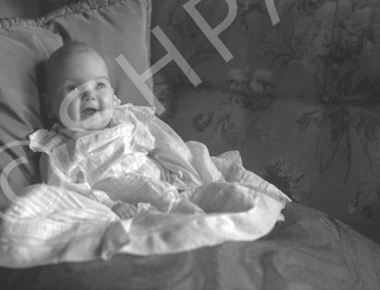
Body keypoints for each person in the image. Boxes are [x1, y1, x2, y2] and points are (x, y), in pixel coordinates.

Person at [29, 42, 288, 219]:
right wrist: (110, 207)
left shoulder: (126, 119)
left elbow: (166, 142)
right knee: (171, 211)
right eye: (72, 89)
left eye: (99, 85)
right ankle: (206, 224)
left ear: (112, 92)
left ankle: (263, 207)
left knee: (215, 177)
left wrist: (186, 170)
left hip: (171, 182)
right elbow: (65, 193)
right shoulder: (58, 150)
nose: (89, 96)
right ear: (50, 106)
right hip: (129, 205)